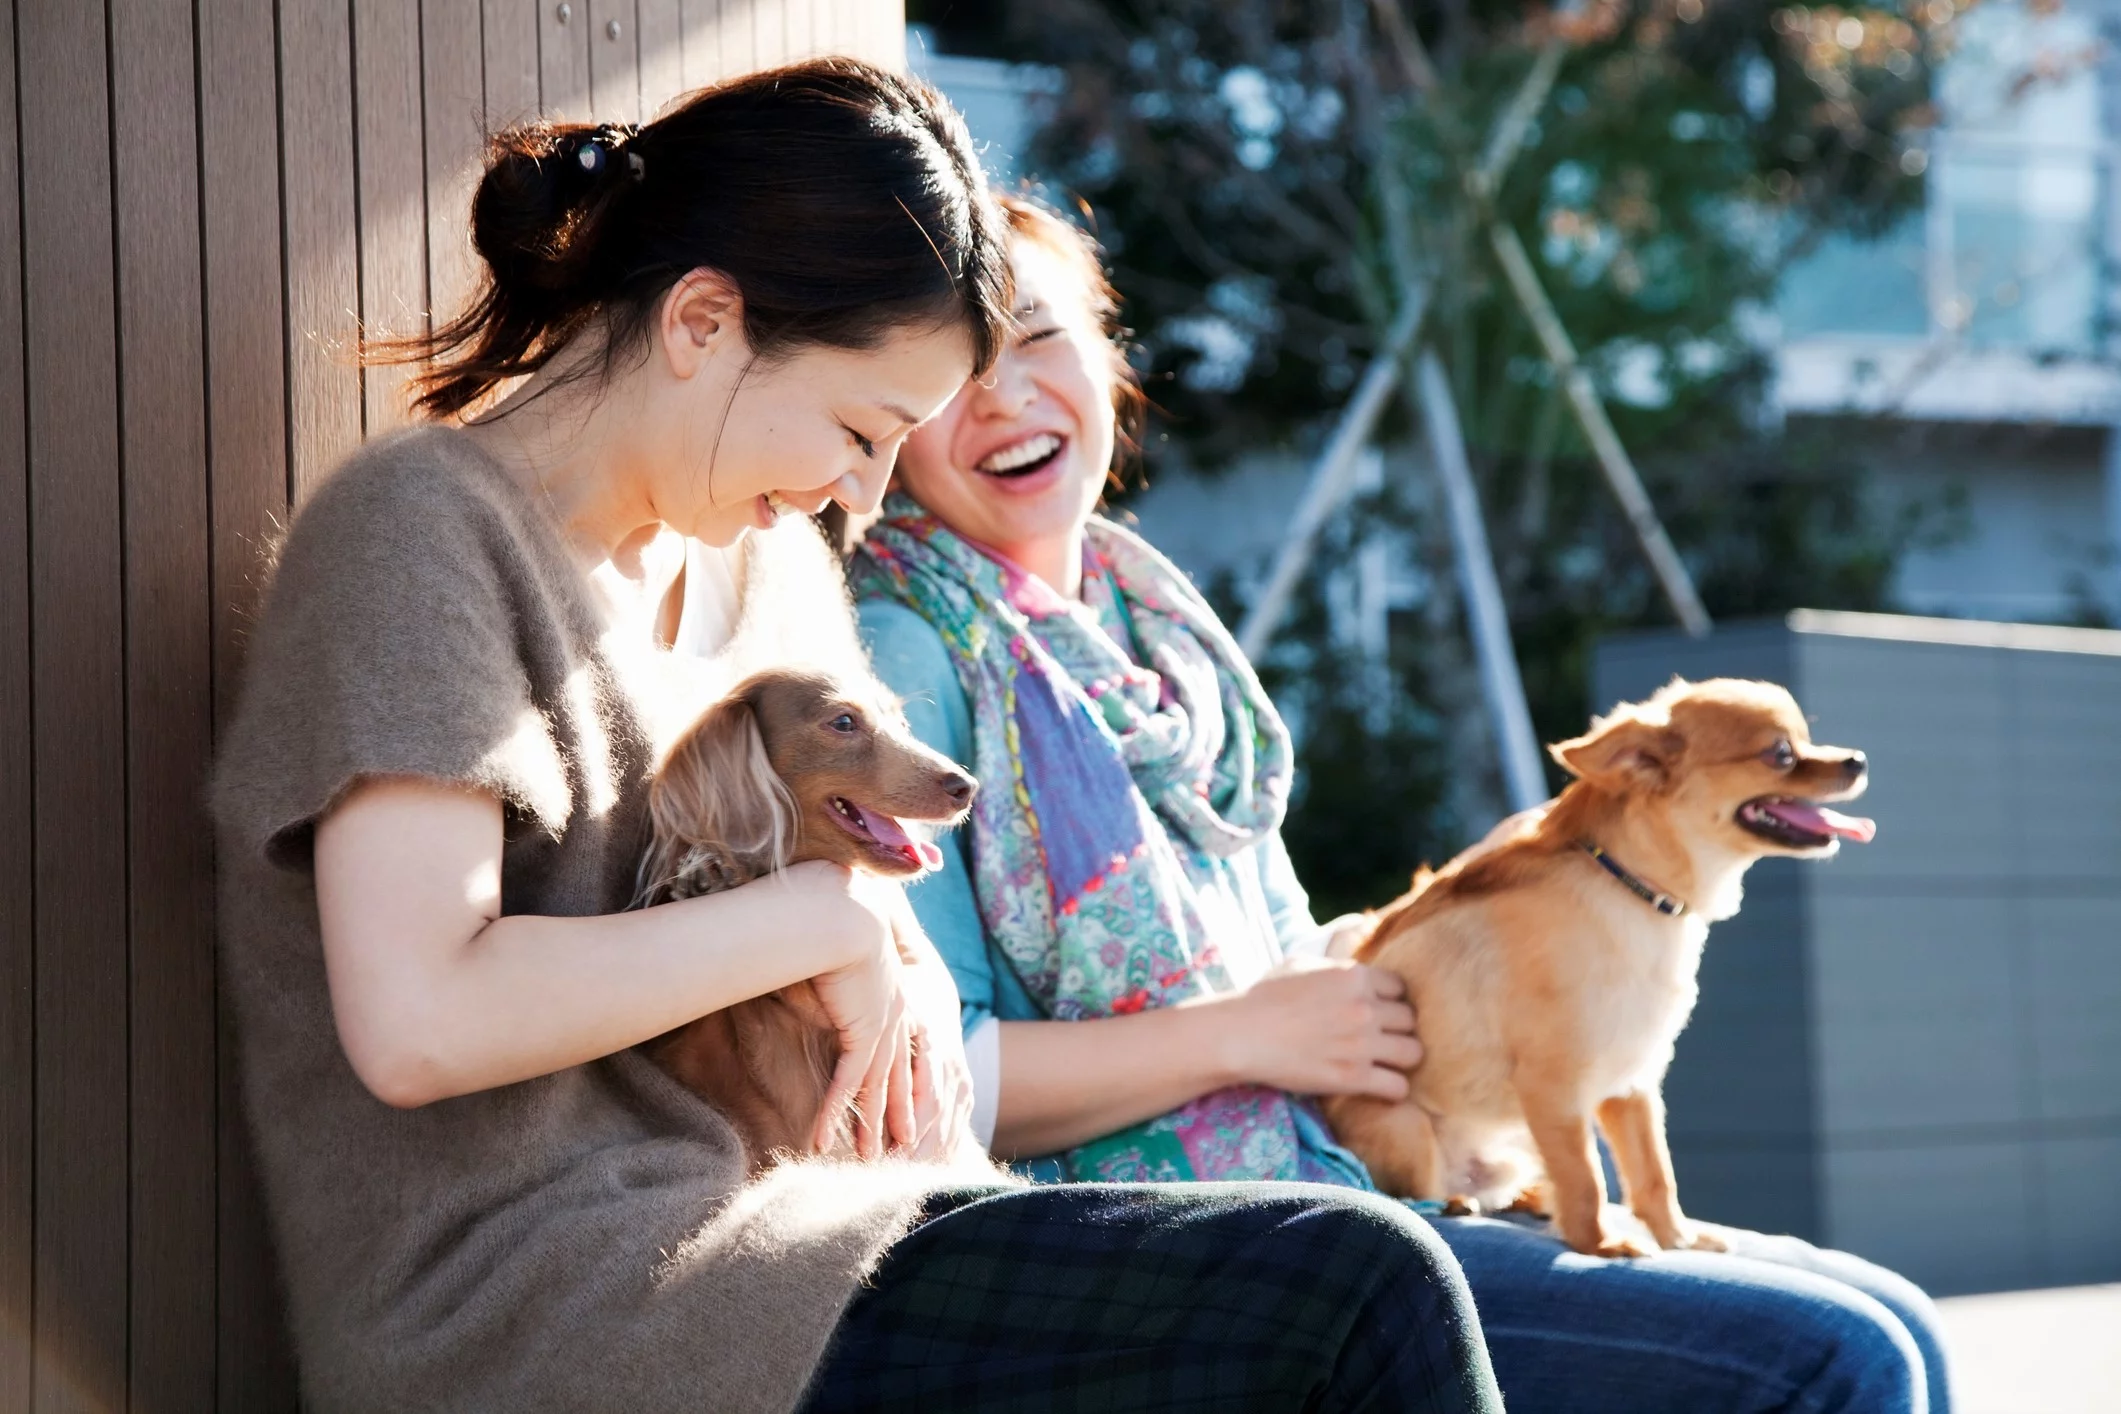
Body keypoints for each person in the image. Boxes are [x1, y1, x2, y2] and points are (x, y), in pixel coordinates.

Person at [211, 61, 1501, 1414]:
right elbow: (419, 1017)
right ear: (703, 320)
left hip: (845, 1222)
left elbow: (898, 978)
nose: (865, 490)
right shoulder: (421, 535)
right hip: (552, 1301)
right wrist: (817, 924)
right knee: (1352, 1287)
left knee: (1353, 1281)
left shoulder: (767, 575)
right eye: (858, 427)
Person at [854, 193, 1955, 1414]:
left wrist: (1457, 931)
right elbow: (927, 1081)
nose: (1007, 396)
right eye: (955, 369)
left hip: (1339, 1164)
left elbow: (1281, 966)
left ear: (1109, 359)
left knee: (1895, 1316)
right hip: (1165, 1259)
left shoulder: (1155, 632)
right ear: (887, 421)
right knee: (1837, 1360)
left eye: (1040, 337)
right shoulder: (901, 659)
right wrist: (1245, 1035)